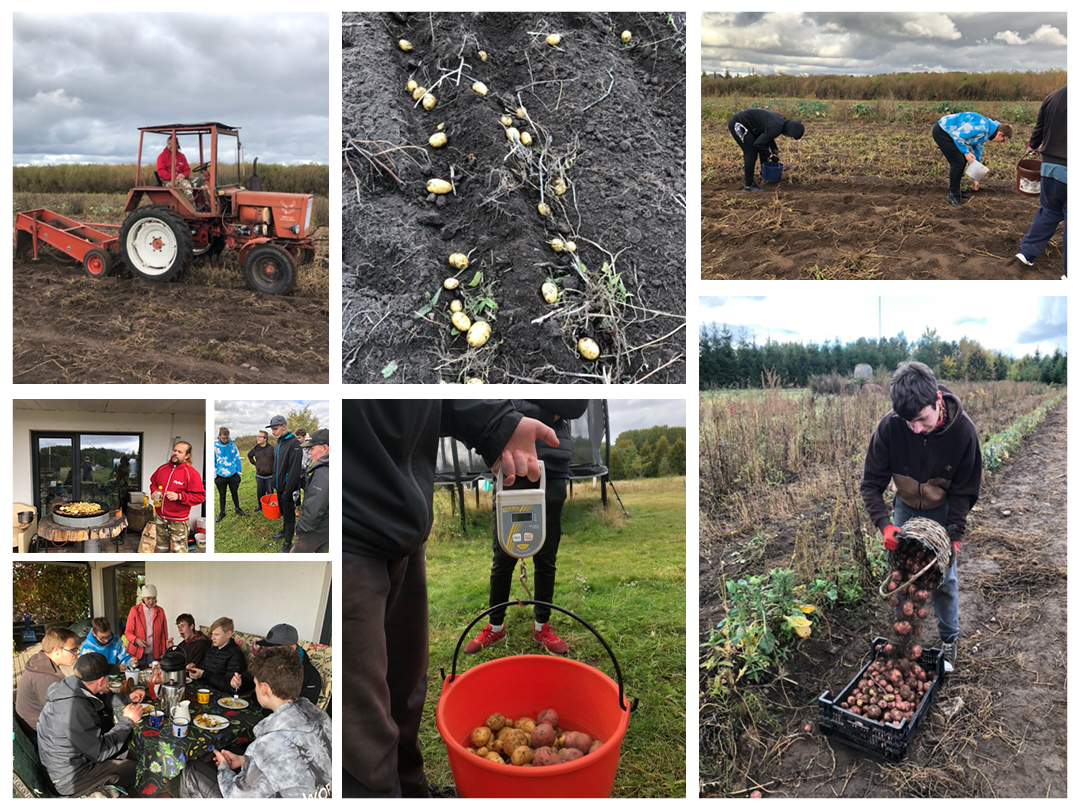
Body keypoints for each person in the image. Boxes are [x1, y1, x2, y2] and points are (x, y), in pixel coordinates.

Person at [342, 400, 557, 798]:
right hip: (350, 537)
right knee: (361, 722)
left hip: (401, 526)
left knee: (405, 687)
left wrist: (495, 424)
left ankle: (410, 790)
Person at [860, 361, 982, 674]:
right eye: (908, 421)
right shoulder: (890, 427)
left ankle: (949, 640)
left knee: (944, 579)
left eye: (921, 419)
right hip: (905, 507)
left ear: (937, 402)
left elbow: (964, 492)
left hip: (941, 509)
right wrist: (885, 525)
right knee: (903, 576)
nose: (915, 428)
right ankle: (902, 638)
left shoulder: (963, 433)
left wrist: (953, 537)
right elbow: (871, 485)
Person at [467, 400, 588, 656]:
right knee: (503, 556)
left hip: (552, 468)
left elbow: (575, 405)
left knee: (546, 557)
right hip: (510, 463)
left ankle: (542, 625)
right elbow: (502, 401)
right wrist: (549, 412)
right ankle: (495, 625)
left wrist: (522, 409)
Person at [180, 646, 332, 798]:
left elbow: (236, 797)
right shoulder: (324, 718)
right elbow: (295, 764)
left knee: (191, 771)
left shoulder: (268, 742)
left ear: (264, 688)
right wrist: (246, 760)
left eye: (255, 683)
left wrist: (224, 768)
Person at [36, 652, 145, 797]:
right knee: (138, 770)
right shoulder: (75, 708)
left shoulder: (74, 685)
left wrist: (126, 697)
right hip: (68, 779)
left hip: (63, 765)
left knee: (125, 750)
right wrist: (128, 720)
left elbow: (99, 699)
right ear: (100, 680)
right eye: (108, 676)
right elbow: (100, 752)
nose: (110, 679)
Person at [1017, 85, 1067, 277]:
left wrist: (1033, 145)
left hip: (1051, 168)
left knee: (1050, 211)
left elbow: (1037, 133)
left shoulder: (1052, 98)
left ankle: (1026, 253)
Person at [932, 112, 1012, 206]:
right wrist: (966, 152)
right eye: (1003, 140)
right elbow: (957, 135)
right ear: (1000, 134)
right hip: (943, 131)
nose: (1000, 143)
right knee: (958, 162)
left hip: (950, 134)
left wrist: (975, 178)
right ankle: (953, 194)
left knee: (961, 161)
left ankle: (956, 191)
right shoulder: (981, 127)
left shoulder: (986, 133)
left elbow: (976, 154)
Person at [16, 626, 80, 738]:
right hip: (37, 732)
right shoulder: (45, 677)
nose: (76, 654)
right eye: (73, 650)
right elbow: (62, 712)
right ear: (56, 650)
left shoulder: (41, 661)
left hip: (38, 723)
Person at [727, 108, 805, 192]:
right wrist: (771, 156)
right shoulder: (776, 127)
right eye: (791, 136)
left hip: (751, 125)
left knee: (764, 146)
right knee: (751, 153)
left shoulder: (781, 121)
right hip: (739, 123)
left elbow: (767, 136)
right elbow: (758, 144)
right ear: (790, 132)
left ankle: (764, 174)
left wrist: (774, 149)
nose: (790, 137)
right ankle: (749, 185)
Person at [149, 440, 206, 553]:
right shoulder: (162, 469)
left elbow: (201, 496)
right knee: (162, 549)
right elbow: (153, 482)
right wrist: (154, 491)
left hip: (178, 520)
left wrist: (179, 496)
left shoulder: (191, 473)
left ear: (187, 455)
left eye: (180, 452)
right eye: (175, 450)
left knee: (179, 552)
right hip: (160, 517)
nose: (175, 453)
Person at [246, 623, 322, 706]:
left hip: (281, 717)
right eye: (268, 647)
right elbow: (248, 678)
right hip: (255, 708)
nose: (270, 653)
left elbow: (304, 711)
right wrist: (239, 682)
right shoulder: (269, 657)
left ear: (292, 648)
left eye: (275, 649)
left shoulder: (311, 676)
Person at [267, 415, 304, 553]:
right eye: (272, 429)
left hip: (289, 488)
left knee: (289, 516)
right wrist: (273, 482)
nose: (273, 432)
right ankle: (284, 531)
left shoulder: (294, 444)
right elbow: (276, 465)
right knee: (283, 511)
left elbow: (295, 470)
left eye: (275, 429)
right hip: (280, 487)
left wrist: (288, 492)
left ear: (284, 427)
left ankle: (288, 543)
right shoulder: (278, 444)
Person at [187, 616, 246, 693]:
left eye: (216, 634)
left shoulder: (235, 654)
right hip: (203, 689)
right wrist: (194, 670)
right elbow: (205, 671)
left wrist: (204, 674)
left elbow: (229, 687)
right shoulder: (212, 650)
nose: (212, 638)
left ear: (228, 634)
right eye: (212, 634)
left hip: (219, 694)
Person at [293, 429, 329, 553]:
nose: (309, 452)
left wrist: (301, 528)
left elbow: (315, 507)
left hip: (315, 529)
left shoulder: (323, 473)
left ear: (325, 448)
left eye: (312, 449)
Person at [124, 584, 169, 668]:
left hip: (154, 652)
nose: (151, 601)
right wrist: (136, 640)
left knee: (153, 676)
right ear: (143, 598)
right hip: (136, 652)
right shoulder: (134, 610)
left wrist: (163, 651)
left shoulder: (160, 611)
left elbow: (164, 633)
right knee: (136, 676)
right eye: (148, 598)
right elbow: (128, 632)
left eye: (153, 598)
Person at [214, 427, 245, 522]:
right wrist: (214, 476)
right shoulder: (215, 448)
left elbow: (237, 459)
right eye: (223, 438)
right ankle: (222, 512)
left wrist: (238, 473)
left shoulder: (233, 446)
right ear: (219, 436)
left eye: (227, 438)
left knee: (234, 493)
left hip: (233, 476)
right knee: (222, 495)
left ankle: (237, 508)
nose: (225, 440)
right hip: (220, 476)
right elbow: (213, 461)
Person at [247, 430, 276, 509]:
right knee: (260, 492)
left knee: (270, 493)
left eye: (260, 437)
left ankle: (270, 507)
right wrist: (255, 464)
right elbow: (249, 455)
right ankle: (260, 506)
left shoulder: (272, 448)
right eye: (258, 436)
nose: (258, 438)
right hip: (259, 476)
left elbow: (277, 460)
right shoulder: (255, 448)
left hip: (270, 476)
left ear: (265, 439)